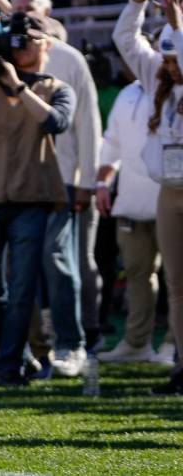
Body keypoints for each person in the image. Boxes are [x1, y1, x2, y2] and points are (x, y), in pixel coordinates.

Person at [0, 12, 77, 386]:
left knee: (23, 285)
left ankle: (9, 366)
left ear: (46, 45)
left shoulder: (56, 87)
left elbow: (55, 123)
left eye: (28, 41)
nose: (19, 49)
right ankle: (17, 356)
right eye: (15, 41)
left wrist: (16, 86)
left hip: (31, 197)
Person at [111, 0, 183, 395]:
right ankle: (181, 364)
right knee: (177, 284)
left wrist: (177, 24)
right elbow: (124, 36)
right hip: (169, 192)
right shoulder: (156, 74)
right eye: (167, 55)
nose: (169, 64)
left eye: (175, 55)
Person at [94, 78, 168, 364]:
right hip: (131, 201)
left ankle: (174, 345)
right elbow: (112, 143)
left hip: (172, 197)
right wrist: (102, 183)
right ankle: (137, 342)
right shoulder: (127, 93)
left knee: (177, 279)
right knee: (137, 272)